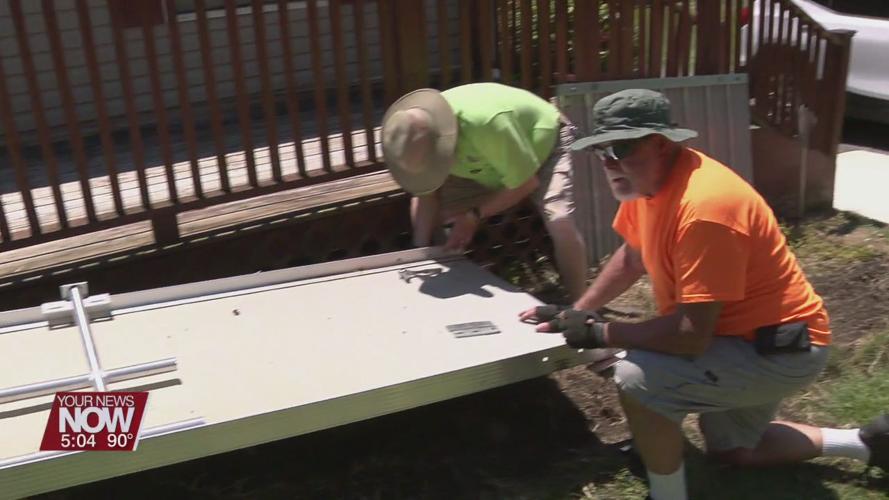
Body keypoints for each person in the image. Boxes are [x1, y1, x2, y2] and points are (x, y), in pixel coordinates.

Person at [520, 89, 888, 500]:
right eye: (601, 151)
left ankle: (668, 494)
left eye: (621, 149)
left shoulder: (705, 208)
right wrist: (578, 311)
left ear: (661, 143)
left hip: (777, 351)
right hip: (743, 339)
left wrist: (603, 334)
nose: (610, 163)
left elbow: (690, 335)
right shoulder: (649, 186)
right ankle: (866, 443)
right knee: (735, 453)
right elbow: (631, 256)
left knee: (636, 376)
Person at [381, 82, 588, 301]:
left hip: (545, 145)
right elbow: (426, 195)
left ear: (443, 141)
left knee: (559, 218)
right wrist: (421, 252)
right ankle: (450, 274)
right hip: (488, 165)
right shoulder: (417, 137)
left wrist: (474, 215)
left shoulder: (486, 124)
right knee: (442, 217)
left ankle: (581, 308)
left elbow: (526, 183)